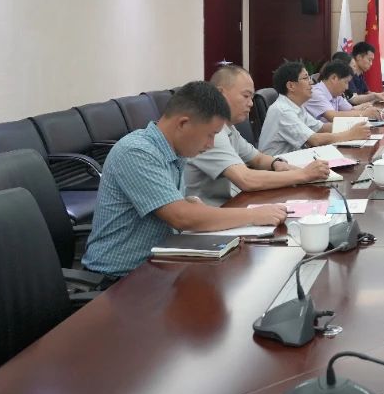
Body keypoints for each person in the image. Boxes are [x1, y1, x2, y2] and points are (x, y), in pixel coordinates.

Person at [81, 81, 288, 281]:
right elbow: (181, 217)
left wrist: (188, 206)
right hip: (119, 279)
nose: (211, 144)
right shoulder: (137, 152)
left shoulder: (177, 151)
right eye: (210, 135)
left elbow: (179, 211)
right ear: (183, 123)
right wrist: (254, 215)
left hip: (161, 264)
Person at [185, 64, 332, 206]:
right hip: (215, 212)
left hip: (233, 202)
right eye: (245, 96)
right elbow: (246, 179)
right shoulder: (210, 132)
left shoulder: (229, 128)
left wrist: (276, 164)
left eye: (251, 97)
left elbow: (258, 158)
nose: (250, 103)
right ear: (220, 94)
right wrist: (304, 175)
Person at [258, 60, 370, 156]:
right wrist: (350, 134)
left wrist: (355, 125)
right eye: (306, 78)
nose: (311, 82)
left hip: (294, 159)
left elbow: (321, 128)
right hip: (277, 167)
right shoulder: (282, 110)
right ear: (291, 86)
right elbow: (314, 140)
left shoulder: (296, 105)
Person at [305, 61, 382, 123]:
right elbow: (333, 116)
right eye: (346, 82)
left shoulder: (335, 94)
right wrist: (365, 113)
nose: (347, 87)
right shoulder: (316, 93)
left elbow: (350, 110)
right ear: (334, 78)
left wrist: (368, 109)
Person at [345, 42, 384, 106]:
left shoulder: (360, 74)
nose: (371, 64)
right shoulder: (348, 75)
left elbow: (366, 93)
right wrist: (374, 95)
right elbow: (354, 99)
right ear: (359, 57)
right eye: (369, 60)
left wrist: (382, 95)